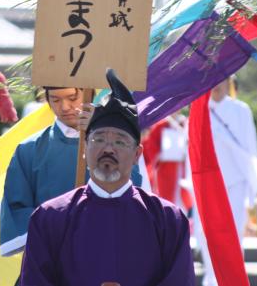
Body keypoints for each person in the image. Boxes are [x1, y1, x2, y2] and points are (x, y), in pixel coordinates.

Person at [20, 69, 194, 285]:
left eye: (120, 141)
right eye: (99, 139)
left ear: (137, 154)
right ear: (84, 148)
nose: (108, 149)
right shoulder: (51, 217)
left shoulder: (168, 219)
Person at [0, 86, 144, 257]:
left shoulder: (121, 144)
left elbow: (134, 196)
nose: (65, 107)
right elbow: (17, 207)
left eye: (72, 98)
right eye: (55, 99)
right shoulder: (29, 149)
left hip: (108, 249)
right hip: (50, 254)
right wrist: (59, 230)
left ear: (89, 93)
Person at [197, 76, 257, 286]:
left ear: (229, 83)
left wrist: (254, 189)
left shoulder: (241, 110)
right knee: (206, 236)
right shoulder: (200, 109)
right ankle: (210, 279)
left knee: (233, 237)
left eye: (223, 80)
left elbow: (251, 149)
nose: (217, 85)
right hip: (207, 184)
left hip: (235, 182)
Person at [142, 111, 189, 207]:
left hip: (182, 168)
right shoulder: (160, 126)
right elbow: (151, 147)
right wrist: (161, 155)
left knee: (182, 202)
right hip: (165, 169)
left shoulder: (185, 123)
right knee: (165, 202)